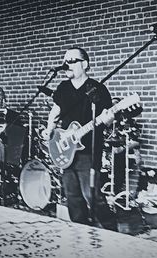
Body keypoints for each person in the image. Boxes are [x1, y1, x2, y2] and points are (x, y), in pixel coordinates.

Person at [42, 47, 117, 231]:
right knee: (72, 196)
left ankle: (112, 232)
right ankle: (81, 234)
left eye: (71, 60)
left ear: (84, 64)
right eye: (65, 60)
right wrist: (49, 129)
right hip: (66, 149)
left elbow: (108, 119)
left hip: (88, 151)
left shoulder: (97, 88)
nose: (66, 64)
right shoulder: (63, 87)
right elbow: (56, 110)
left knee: (92, 196)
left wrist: (109, 118)